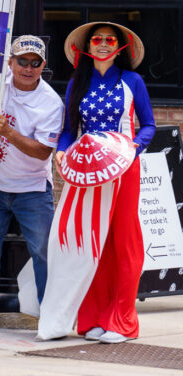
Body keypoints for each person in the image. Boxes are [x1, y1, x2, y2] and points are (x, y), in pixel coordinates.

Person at [37, 22, 155, 343]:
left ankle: (122, 321)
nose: (103, 44)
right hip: (86, 169)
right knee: (88, 244)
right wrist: (61, 153)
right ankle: (93, 318)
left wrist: (133, 149)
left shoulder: (133, 81)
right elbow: (67, 130)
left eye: (110, 39)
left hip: (123, 169)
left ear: (120, 46)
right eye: (97, 39)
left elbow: (148, 126)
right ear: (87, 46)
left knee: (123, 244)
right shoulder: (78, 82)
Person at [0, 35, 64, 335]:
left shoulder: (50, 103)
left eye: (35, 63)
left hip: (31, 188)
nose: (27, 68)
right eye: (22, 61)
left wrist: (8, 132)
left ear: (43, 65)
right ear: (10, 62)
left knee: (43, 252)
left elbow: (43, 150)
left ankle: (51, 315)